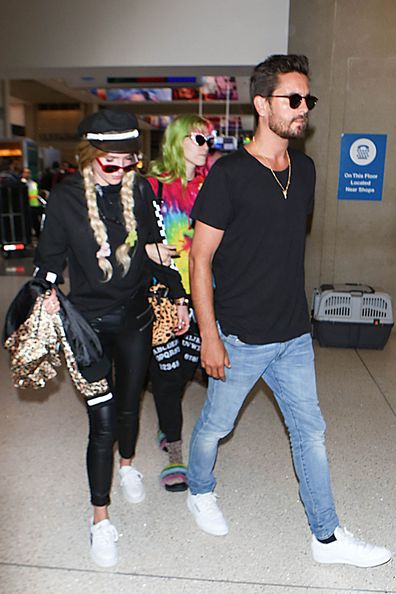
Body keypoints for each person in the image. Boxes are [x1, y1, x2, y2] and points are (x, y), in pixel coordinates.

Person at [186, 55, 392, 568]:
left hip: (294, 334)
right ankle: (199, 488)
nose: (304, 110)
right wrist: (209, 336)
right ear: (262, 104)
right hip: (239, 337)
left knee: (311, 431)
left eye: (308, 100)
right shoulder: (229, 174)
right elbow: (200, 257)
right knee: (215, 426)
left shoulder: (306, 170)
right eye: (293, 100)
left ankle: (326, 538)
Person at [33, 109, 189, 568]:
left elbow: (157, 248)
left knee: (128, 403)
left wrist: (178, 297)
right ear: (89, 156)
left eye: (130, 161)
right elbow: (48, 262)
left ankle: (128, 464)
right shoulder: (64, 199)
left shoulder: (140, 189)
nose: (121, 170)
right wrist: (42, 295)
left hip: (138, 317)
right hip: (88, 325)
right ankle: (100, 519)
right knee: (100, 423)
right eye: (111, 163)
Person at [144, 114, 213, 492]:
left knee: (188, 368)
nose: (207, 145)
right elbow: (125, 235)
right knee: (168, 375)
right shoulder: (151, 185)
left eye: (209, 139)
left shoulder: (210, 186)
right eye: (199, 138)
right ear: (178, 141)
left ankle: (164, 421)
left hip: (202, 291)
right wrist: (147, 248)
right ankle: (175, 451)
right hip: (163, 294)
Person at [21, 167, 43, 239]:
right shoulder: (21, 183)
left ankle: (38, 236)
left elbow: (36, 194)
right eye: (26, 172)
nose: (27, 174)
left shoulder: (33, 183)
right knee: (28, 224)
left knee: (36, 223)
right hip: (26, 206)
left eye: (28, 172)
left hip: (34, 206)